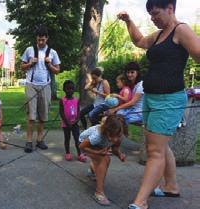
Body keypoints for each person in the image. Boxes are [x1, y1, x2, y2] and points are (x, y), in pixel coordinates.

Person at [118, 0, 200, 208]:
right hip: (151, 97)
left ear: (170, 9)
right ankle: (171, 186)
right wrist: (128, 21)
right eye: (150, 15)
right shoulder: (158, 35)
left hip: (169, 99)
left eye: (156, 13)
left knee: (155, 151)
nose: (152, 18)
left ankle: (140, 201)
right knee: (159, 147)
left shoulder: (180, 30)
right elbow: (139, 41)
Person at [21, 25, 61, 153]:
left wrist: (49, 64)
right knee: (31, 115)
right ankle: (28, 141)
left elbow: (57, 70)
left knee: (43, 115)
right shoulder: (29, 50)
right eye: (39, 40)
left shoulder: (52, 52)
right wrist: (29, 63)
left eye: (43, 40)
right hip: (31, 84)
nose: (41, 42)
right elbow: (22, 66)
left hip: (45, 85)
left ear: (47, 38)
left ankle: (39, 140)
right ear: (36, 38)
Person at [79, 115, 127, 206]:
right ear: (107, 130)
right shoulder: (97, 135)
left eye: (118, 136)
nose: (115, 139)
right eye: (112, 136)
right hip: (85, 144)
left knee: (104, 159)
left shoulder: (118, 134)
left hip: (99, 145)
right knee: (104, 159)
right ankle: (99, 192)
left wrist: (119, 154)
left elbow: (115, 148)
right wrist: (97, 152)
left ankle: (93, 170)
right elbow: (81, 147)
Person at [59, 80, 87, 162]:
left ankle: (79, 154)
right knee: (67, 138)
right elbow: (61, 112)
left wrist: (76, 120)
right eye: (68, 89)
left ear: (74, 89)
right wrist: (67, 122)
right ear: (64, 89)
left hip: (75, 123)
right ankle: (68, 153)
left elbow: (78, 112)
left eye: (71, 89)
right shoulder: (62, 100)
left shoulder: (76, 100)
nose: (70, 90)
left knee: (77, 139)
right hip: (66, 124)